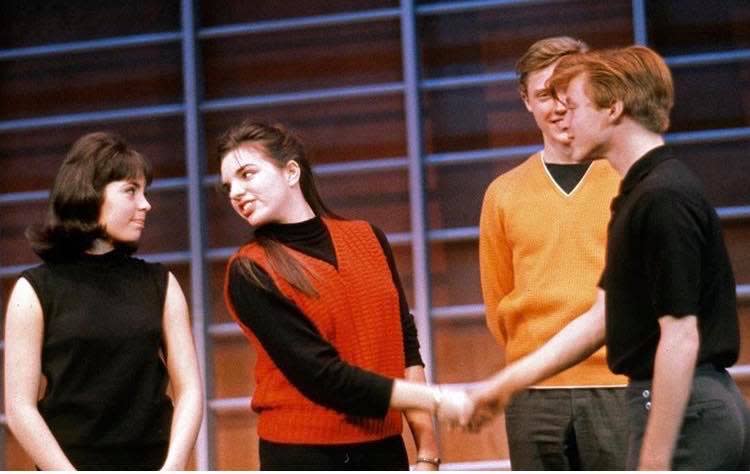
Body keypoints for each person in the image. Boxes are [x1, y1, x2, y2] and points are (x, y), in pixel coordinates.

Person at [470, 45, 750, 470]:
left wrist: (653, 461)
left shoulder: (662, 195)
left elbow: (681, 336)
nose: (566, 116)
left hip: (686, 405)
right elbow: (604, 316)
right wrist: (507, 382)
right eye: (552, 99)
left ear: (612, 108)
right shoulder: (641, 194)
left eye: (576, 104)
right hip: (667, 400)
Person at [217, 120, 473, 470]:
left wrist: (427, 452)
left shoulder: (367, 238)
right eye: (228, 185)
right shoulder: (249, 271)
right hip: (302, 456)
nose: (235, 193)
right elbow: (324, 377)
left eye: (247, 174)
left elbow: (406, 347)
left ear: (291, 172)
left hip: (383, 450)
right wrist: (439, 399)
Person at [4, 132, 203, 470]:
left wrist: (173, 466)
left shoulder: (161, 283)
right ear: (90, 195)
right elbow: (19, 407)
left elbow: (190, 391)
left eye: (144, 192)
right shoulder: (34, 289)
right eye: (130, 191)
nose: (145, 204)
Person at [478, 36, 628, 470]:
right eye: (545, 94)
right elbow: (497, 300)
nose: (560, 105)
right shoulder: (503, 193)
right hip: (533, 391)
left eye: (569, 91)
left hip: (620, 385)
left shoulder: (629, 181)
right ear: (526, 101)